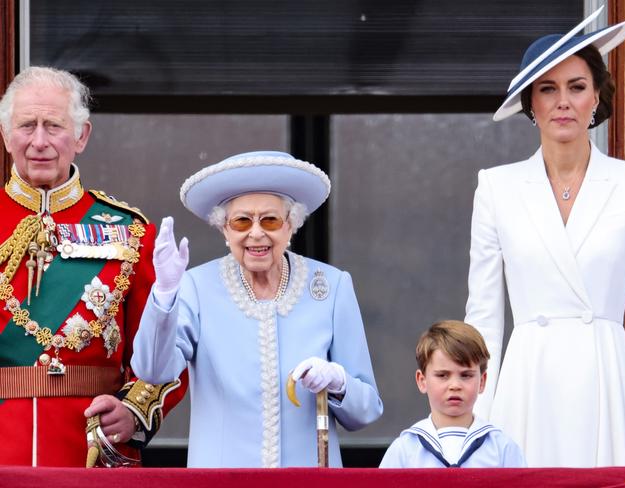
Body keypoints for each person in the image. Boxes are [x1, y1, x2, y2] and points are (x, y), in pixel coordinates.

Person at [465, 7, 625, 467]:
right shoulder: (496, 186)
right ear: (531, 103)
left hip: (608, 378)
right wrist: (477, 423)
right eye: (548, 89)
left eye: (577, 87)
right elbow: (483, 318)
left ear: (597, 98)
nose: (563, 101)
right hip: (529, 382)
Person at [131, 150, 383, 467]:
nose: (256, 233)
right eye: (241, 221)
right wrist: (165, 294)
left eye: (270, 220)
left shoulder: (331, 286)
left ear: (291, 225)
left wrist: (339, 382)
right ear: (224, 229)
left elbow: (366, 410)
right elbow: (153, 370)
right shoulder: (196, 287)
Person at [0, 66, 185, 467]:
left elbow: (167, 351)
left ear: (81, 136)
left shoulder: (131, 232)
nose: (39, 141)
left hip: (93, 449)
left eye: (54, 126)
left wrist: (133, 411)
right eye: (26, 125)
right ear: (5, 135)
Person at [379, 320, 525, 468]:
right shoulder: (403, 450)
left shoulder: (503, 449)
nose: (455, 386)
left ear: (482, 381)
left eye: (466, 375)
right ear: (422, 381)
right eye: (442, 375)